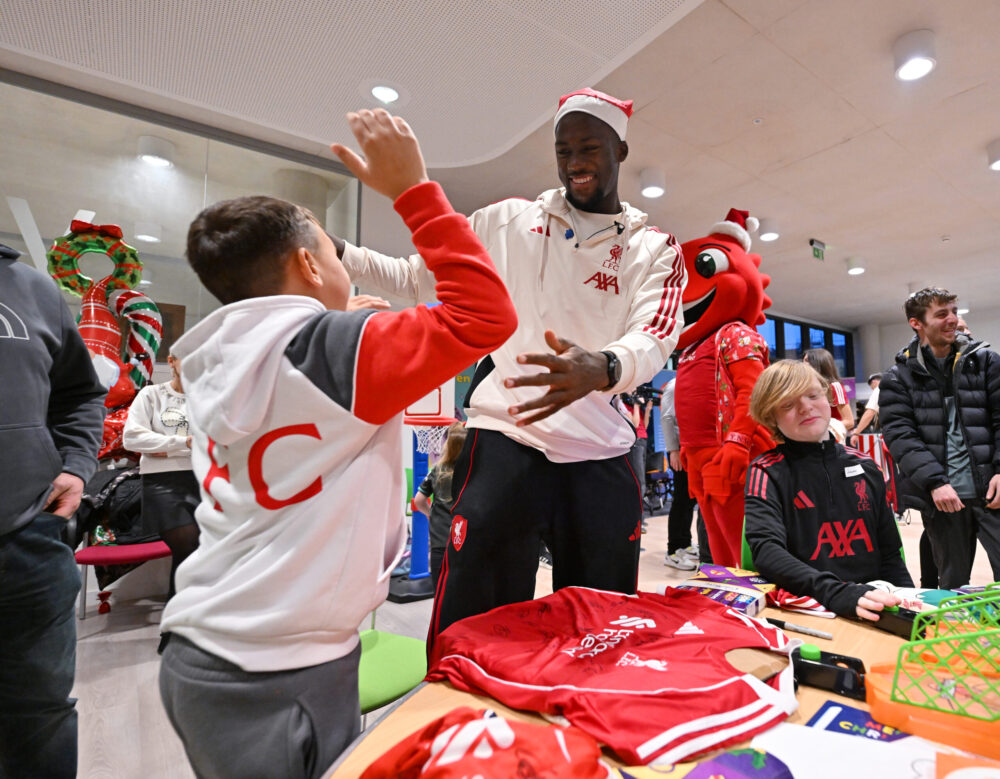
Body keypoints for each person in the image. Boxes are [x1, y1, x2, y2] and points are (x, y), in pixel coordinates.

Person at [157, 109, 517, 779]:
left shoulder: (212, 355)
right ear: (306, 264)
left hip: (208, 646)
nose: (341, 261)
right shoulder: (333, 351)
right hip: (278, 664)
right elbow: (487, 314)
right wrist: (414, 190)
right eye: (333, 249)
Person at [334, 88, 686, 643]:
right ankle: (461, 722)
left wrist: (605, 366)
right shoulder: (505, 221)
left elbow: (657, 333)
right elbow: (415, 277)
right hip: (505, 440)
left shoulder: (655, 247)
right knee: (476, 619)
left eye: (590, 148)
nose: (575, 163)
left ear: (620, 149)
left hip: (601, 452)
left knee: (600, 623)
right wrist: (337, 252)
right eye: (563, 150)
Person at [0, 242, 106, 778]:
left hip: (28, 539)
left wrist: (75, 463)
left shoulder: (33, 289)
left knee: (39, 715)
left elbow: (79, 393)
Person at [745, 360, 912, 619]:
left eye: (813, 395)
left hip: (873, 601)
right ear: (771, 417)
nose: (806, 407)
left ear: (827, 398)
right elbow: (767, 552)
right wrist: (835, 592)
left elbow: (890, 553)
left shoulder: (867, 467)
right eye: (788, 404)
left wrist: (907, 601)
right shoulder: (766, 471)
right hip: (808, 604)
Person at [880, 287, 1000, 588]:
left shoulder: (985, 362)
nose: (952, 320)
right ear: (916, 323)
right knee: (952, 584)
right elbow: (900, 436)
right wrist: (935, 482)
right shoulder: (898, 378)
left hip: (993, 492)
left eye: (954, 312)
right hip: (944, 499)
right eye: (941, 314)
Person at [122, 352, 199, 598]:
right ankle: (175, 627)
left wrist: (163, 447)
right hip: (163, 484)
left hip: (204, 482)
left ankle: (189, 621)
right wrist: (185, 443)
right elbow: (132, 438)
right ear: (172, 360)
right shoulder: (151, 395)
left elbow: (218, 444)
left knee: (202, 554)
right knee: (187, 548)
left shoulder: (209, 400)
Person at [412, 421, 467, 585]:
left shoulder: (437, 470)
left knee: (440, 593)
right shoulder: (472, 472)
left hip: (440, 544)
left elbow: (419, 500)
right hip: (464, 543)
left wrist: (431, 514)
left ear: (448, 445)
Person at [660, 378, 699, 570]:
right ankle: (673, 550)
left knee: (690, 499)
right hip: (679, 448)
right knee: (682, 499)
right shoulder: (675, 384)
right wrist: (673, 450)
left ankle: (685, 543)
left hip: (691, 447)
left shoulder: (691, 383)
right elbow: (667, 417)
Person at [803, 347, 855, 430]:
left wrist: (822, 429)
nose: (803, 364)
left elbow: (849, 421)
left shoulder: (834, 387)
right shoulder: (805, 387)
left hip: (830, 438)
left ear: (817, 363)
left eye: (806, 360)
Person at [849, 372, 882, 443]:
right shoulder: (895, 387)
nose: (872, 389)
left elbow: (869, 413)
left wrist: (856, 433)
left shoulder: (878, 390)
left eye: (871, 387)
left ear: (873, 382)